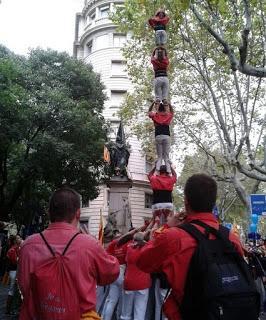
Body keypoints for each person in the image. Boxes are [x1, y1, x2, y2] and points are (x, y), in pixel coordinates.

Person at [137, 174, 246, 320]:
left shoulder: (172, 237)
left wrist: (166, 227)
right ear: (213, 203)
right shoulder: (231, 238)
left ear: (186, 201)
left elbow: (143, 261)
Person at [18, 187, 119, 320]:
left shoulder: (28, 246)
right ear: (78, 213)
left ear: (49, 213)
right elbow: (111, 274)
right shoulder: (89, 245)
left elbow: (24, 286)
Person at [120, 232, 151, 320]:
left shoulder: (129, 248)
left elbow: (124, 238)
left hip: (129, 282)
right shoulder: (147, 248)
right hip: (143, 283)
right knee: (140, 312)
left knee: (125, 313)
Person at [101, 230, 129, 320]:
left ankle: (105, 318)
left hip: (114, 272)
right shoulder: (126, 246)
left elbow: (106, 256)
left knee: (111, 300)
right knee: (121, 301)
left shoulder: (112, 245)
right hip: (122, 272)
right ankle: (118, 317)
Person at [148, 102, 173, 174]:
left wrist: (152, 104)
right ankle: (169, 171)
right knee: (166, 156)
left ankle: (157, 170)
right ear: (164, 109)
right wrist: (169, 104)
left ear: (158, 109)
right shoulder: (167, 115)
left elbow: (149, 112)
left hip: (158, 136)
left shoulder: (155, 115)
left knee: (159, 156)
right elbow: (172, 111)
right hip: (166, 136)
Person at [5, 235, 21, 315]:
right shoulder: (12, 250)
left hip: (15, 271)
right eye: (18, 238)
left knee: (14, 290)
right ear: (14, 241)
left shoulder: (16, 249)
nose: (20, 239)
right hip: (13, 272)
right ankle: (8, 310)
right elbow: (15, 261)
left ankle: (11, 309)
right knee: (12, 291)